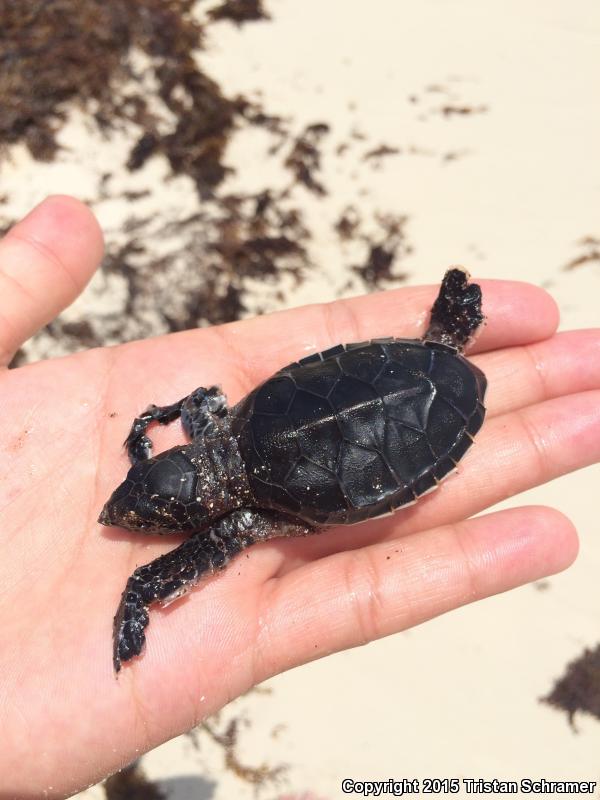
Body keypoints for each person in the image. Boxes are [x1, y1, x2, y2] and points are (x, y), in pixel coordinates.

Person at [1, 196, 598, 798]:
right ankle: (445, 342)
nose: (124, 509)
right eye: (144, 494)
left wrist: (139, 591)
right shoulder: (225, 428)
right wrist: (155, 423)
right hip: (397, 387)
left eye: (146, 500)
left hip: (417, 420)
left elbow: (189, 538)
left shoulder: (245, 515)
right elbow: (202, 398)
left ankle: (445, 346)